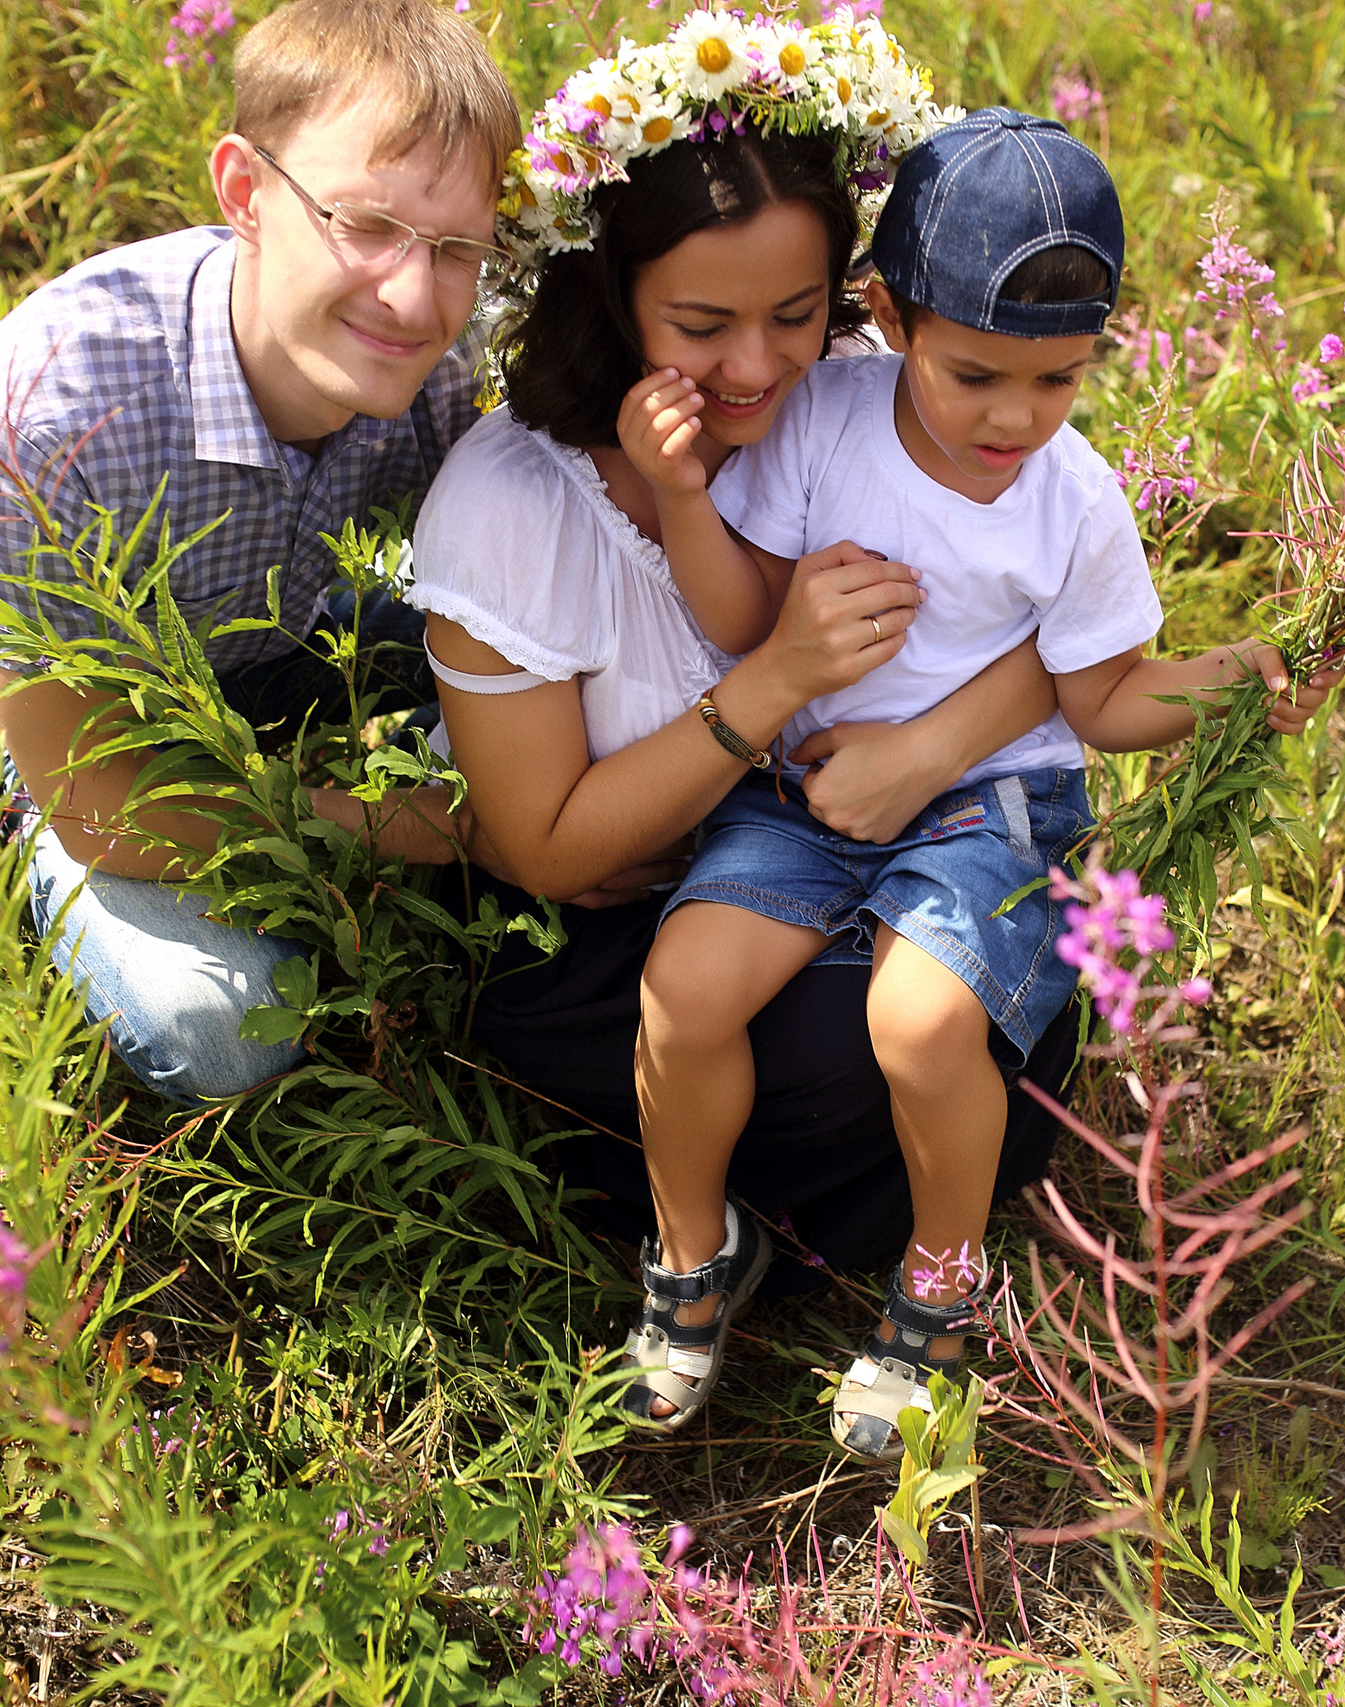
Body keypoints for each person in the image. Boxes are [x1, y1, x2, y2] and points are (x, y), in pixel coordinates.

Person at [617, 109, 1341, 1457]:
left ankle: (940, 1289)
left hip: (992, 806)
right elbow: (743, 620)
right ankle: (692, 1251)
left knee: (921, 1024)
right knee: (684, 987)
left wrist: (1233, 675)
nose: (1016, 416)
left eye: (1058, 379)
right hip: (805, 789)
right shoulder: (826, 417)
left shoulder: (1077, 505)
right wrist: (680, 495)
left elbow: (1102, 699)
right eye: (975, 375)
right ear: (890, 317)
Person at [405, 20, 1077, 1333]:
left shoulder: (872, 404)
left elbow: (1049, 630)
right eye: (701, 325)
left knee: (966, 1002)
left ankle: (865, 1224)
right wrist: (775, 679)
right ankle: (703, 1243)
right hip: (609, 919)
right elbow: (548, 850)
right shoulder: (514, 502)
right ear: (615, 295)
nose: (759, 368)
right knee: (826, 1050)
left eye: (797, 314)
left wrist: (923, 752)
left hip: (842, 845)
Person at [0, 0, 519, 1102]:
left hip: (289, 635)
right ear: (245, 193)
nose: (412, 295)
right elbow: (97, 798)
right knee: (221, 1030)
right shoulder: (50, 412)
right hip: (92, 718)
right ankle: (9, 844)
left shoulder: (450, 364)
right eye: (365, 224)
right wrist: (437, 828)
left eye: (456, 249)